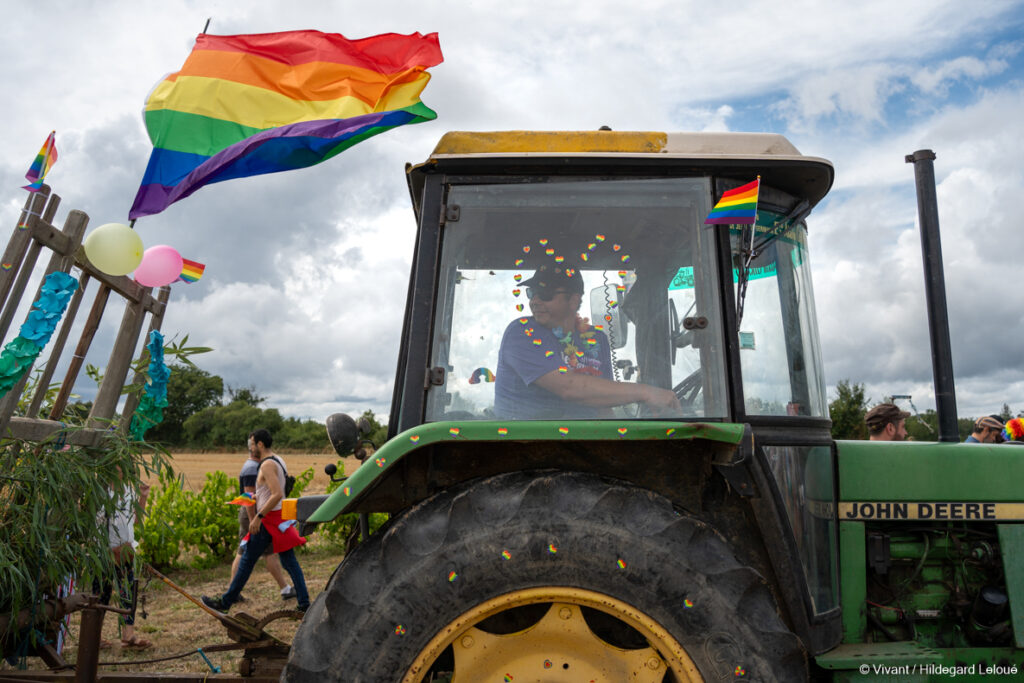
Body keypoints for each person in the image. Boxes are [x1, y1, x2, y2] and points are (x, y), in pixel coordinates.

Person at [495, 263, 680, 419]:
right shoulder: (521, 333)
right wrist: (646, 392)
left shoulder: (597, 338)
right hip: (524, 444)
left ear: (574, 300)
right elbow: (568, 387)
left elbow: (603, 405)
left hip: (584, 444)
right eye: (532, 293)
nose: (534, 301)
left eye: (545, 293)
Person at [202, 429, 310, 613]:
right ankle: (304, 603)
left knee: (247, 561)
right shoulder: (278, 459)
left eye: (252, 444)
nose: (251, 448)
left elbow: (276, 494)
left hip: (269, 520)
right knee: (289, 562)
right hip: (279, 519)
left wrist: (258, 518)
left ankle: (225, 603)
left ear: (260, 444)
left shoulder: (267, 465)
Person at [231, 439, 295, 601]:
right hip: (253, 515)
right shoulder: (252, 468)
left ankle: (284, 588)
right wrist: (255, 520)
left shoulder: (262, 465)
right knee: (254, 552)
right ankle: (284, 589)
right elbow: (249, 499)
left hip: (257, 515)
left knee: (253, 551)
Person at [96, 481, 151, 650]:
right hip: (105, 553)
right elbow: (97, 524)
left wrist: (143, 496)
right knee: (101, 594)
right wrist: (111, 551)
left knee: (127, 592)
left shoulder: (128, 490)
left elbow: (135, 520)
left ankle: (128, 634)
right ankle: (94, 635)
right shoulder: (101, 491)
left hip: (126, 550)